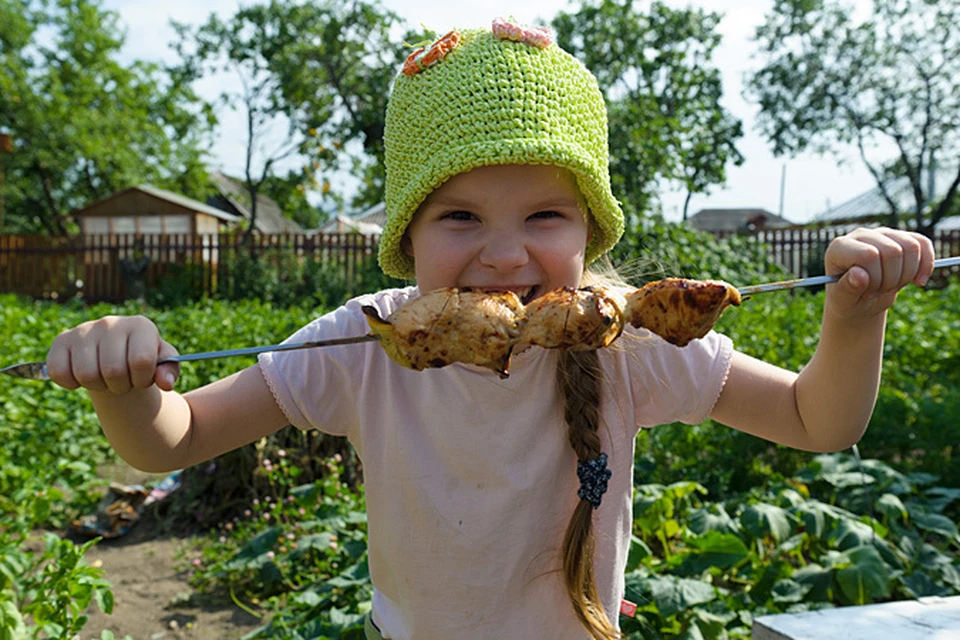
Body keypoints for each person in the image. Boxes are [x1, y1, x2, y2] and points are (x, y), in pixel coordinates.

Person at [46, 20, 935, 640]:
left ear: (590, 232)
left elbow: (818, 422)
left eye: (546, 214)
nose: (505, 256)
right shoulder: (364, 346)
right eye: (460, 218)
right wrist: (124, 386)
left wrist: (856, 318)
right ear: (407, 238)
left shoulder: (628, 346)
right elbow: (179, 439)